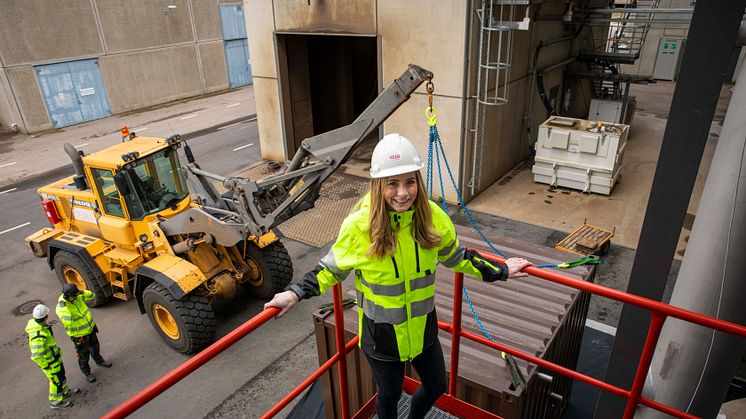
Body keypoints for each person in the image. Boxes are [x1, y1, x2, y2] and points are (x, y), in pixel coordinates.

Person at [265, 133, 531, 419]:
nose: (402, 192)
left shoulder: (432, 218)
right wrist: (294, 293)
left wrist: (502, 270)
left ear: (418, 181)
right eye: (393, 183)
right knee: (389, 396)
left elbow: (458, 258)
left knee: (437, 386)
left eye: (409, 182)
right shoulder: (359, 226)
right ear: (379, 185)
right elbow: (330, 269)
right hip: (382, 337)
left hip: (423, 330)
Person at [25, 303, 80, 409]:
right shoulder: (38, 336)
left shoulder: (42, 327)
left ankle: (64, 392)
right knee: (55, 382)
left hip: (55, 360)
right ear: (45, 317)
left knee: (61, 377)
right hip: (50, 364)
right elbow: (36, 356)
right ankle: (55, 402)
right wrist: (46, 366)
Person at [56, 284, 112, 383]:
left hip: (90, 329)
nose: (76, 297)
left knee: (95, 347)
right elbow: (67, 321)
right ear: (67, 297)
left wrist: (82, 292)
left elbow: (92, 296)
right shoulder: (62, 308)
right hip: (79, 336)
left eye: (76, 295)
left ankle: (99, 361)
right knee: (83, 355)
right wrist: (65, 308)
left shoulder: (77, 297)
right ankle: (86, 372)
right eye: (74, 296)